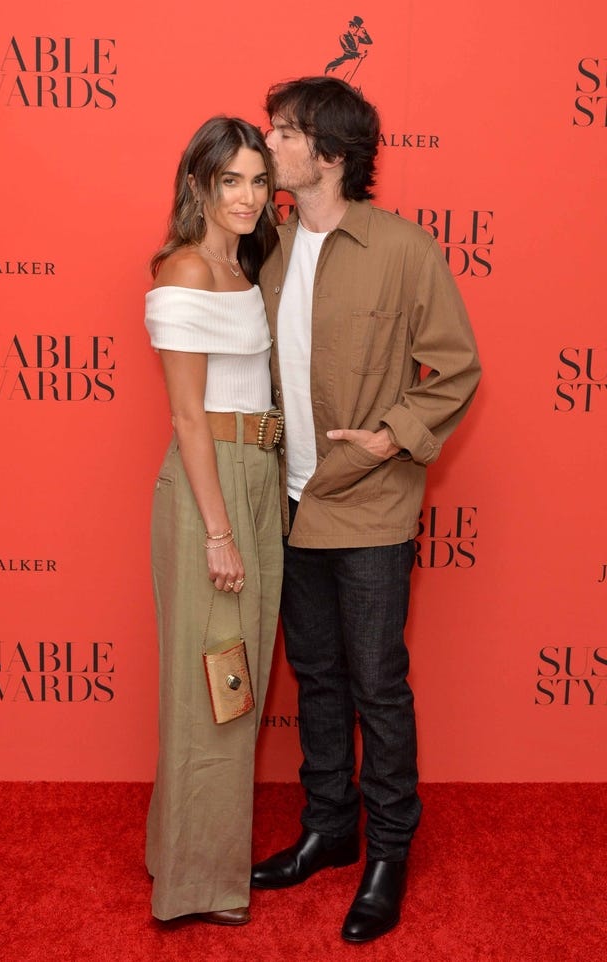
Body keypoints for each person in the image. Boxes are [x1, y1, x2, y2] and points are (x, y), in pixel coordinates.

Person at [251, 77, 481, 943]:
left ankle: (388, 850)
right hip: (290, 502)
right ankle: (329, 828)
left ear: (331, 153)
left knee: (377, 684)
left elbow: (455, 367)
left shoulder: (403, 249)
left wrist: (391, 437)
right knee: (316, 675)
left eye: (285, 132)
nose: (270, 144)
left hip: (371, 502)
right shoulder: (267, 248)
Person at [144, 116, 283, 927]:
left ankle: (182, 853)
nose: (248, 196)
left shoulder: (245, 265)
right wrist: (219, 531)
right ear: (198, 184)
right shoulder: (188, 268)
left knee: (238, 681)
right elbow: (189, 416)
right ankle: (195, 885)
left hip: (258, 474)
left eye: (259, 181)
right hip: (213, 487)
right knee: (215, 684)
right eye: (231, 180)